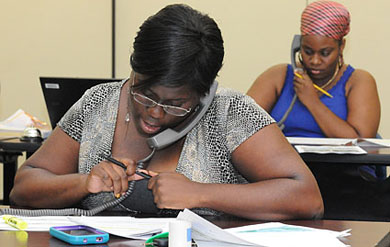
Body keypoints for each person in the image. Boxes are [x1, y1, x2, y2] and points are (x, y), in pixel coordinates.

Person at [10, 4, 323, 220]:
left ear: (204, 93)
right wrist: (81, 183)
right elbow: (25, 187)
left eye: (175, 103)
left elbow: (307, 198)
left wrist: (200, 194)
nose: (155, 114)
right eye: (144, 94)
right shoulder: (99, 102)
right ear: (134, 70)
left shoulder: (230, 112)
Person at [247, 1, 383, 220]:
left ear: (342, 46)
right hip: (286, 176)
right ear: (298, 45)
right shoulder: (279, 76)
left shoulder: (358, 81)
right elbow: (241, 126)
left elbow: (361, 141)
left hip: (344, 179)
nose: (315, 61)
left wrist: (312, 101)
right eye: (308, 51)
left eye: (325, 52)